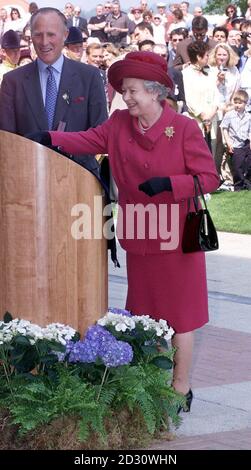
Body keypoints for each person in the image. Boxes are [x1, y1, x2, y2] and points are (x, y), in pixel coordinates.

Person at [26, 51, 219, 409]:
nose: (125, 97)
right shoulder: (118, 125)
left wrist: (169, 184)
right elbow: (87, 140)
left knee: (181, 316)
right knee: (145, 313)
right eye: (123, 91)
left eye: (132, 91)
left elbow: (209, 178)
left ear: (154, 91)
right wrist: (49, 137)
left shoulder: (185, 129)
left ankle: (180, 386)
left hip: (178, 238)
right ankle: (149, 382)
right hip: (142, 238)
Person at [220, 89, 251, 191]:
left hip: (246, 143)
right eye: (235, 103)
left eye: (240, 103)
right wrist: (228, 142)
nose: (237, 105)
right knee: (237, 166)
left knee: (248, 164)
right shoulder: (230, 115)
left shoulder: (248, 116)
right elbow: (224, 128)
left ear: (245, 103)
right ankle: (238, 185)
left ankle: (247, 183)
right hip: (235, 144)